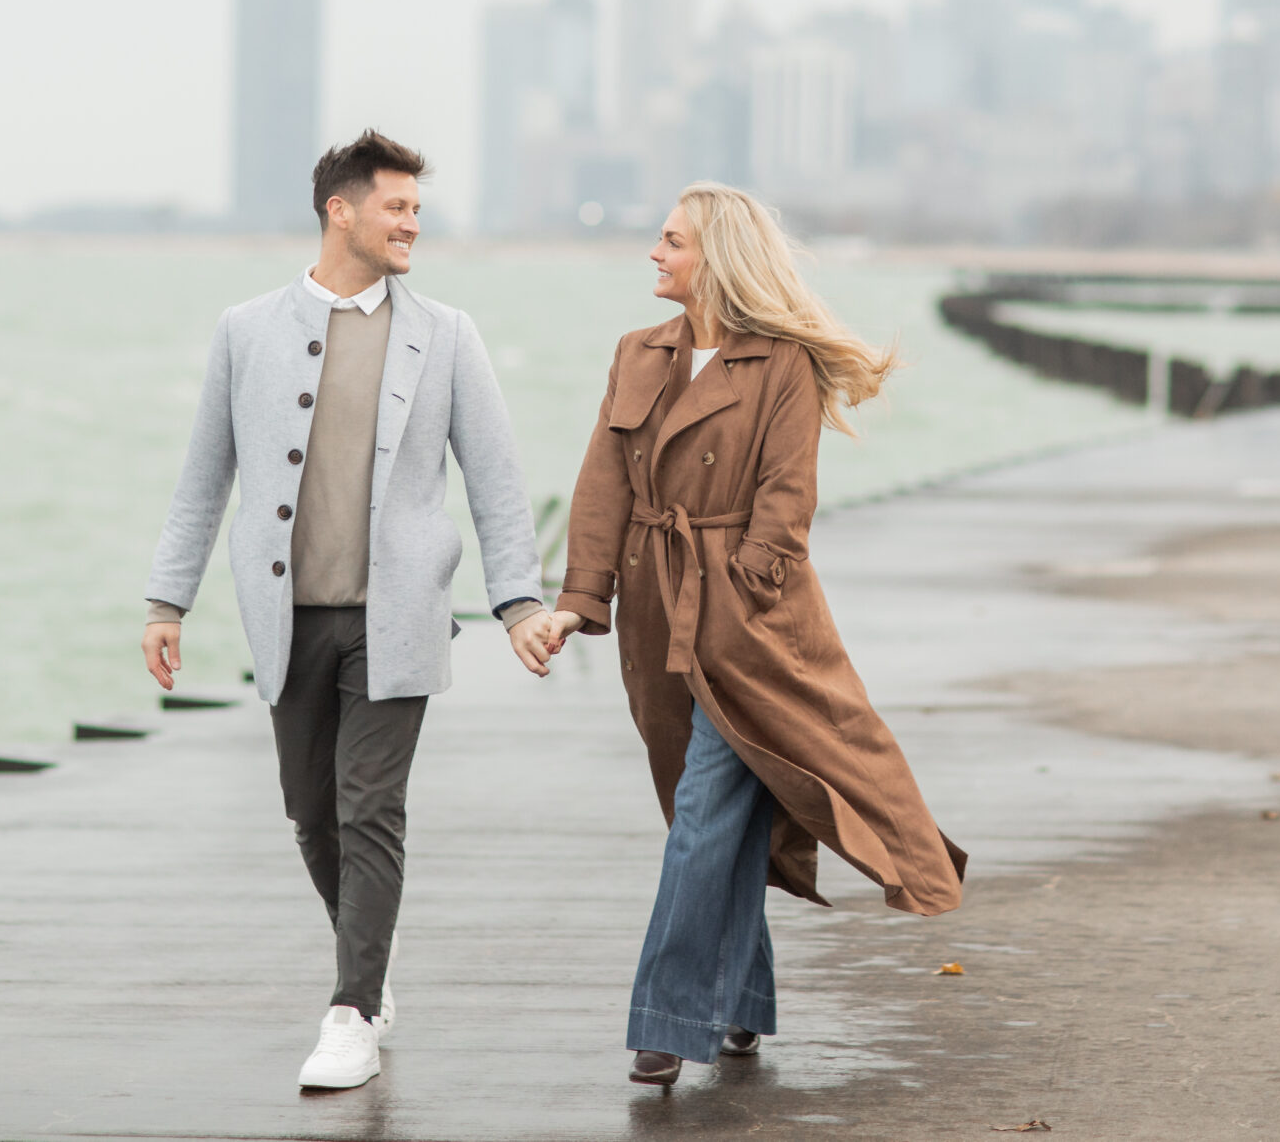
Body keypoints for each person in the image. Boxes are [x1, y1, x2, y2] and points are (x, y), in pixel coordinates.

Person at [141, 130, 562, 1092]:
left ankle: (352, 1011)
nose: (412, 223)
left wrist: (518, 602)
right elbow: (203, 479)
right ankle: (368, 947)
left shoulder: (446, 334)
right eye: (396, 207)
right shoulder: (245, 330)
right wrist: (168, 599)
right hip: (288, 617)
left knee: (371, 805)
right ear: (342, 211)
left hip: (397, 616)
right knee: (310, 813)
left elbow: (497, 480)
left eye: (416, 208)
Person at [534, 181, 966, 1086]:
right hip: (655, 611)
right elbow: (602, 483)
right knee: (703, 811)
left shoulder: (782, 365)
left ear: (717, 258)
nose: (655, 253)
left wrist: (743, 589)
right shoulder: (638, 351)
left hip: (750, 624)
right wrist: (579, 599)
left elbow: (787, 501)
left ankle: (668, 1019)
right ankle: (742, 1000)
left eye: (672, 240)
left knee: (703, 808)